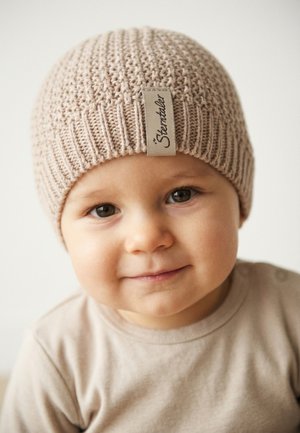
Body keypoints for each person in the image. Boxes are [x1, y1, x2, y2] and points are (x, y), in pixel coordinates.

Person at [1, 27, 299, 433]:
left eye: (181, 195)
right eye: (103, 209)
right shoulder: (59, 353)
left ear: (239, 199)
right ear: (64, 232)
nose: (146, 238)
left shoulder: (291, 316)